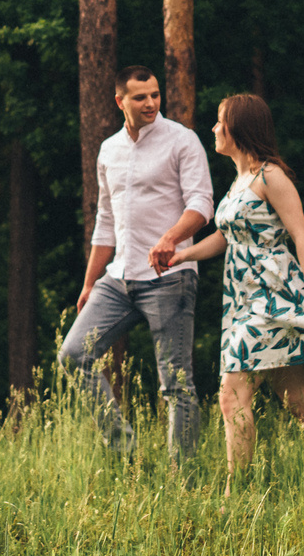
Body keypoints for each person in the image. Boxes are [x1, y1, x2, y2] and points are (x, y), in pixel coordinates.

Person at [151, 91, 304, 476]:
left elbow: (301, 235)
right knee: (297, 399)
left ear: (238, 127)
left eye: (220, 120)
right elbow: (227, 237)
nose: (214, 128)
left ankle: (234, 491)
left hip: (272, 298)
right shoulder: (240, 180)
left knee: (231, 394)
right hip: (242, 301)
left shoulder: (270, 175)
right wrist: (182, 254)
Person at [58, 66, 212, 458]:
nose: (150, 103)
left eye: (155, 95)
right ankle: (125, 450)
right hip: (119, 278)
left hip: (170, 277)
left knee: (176, 383)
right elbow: (106, 222)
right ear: (119, 101)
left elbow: (202, 205)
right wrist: (90, 283)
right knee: (74, 355)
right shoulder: (109, 149)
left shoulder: (182, 140)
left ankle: (185, 484)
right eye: (140, 97)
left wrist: (170, 237)